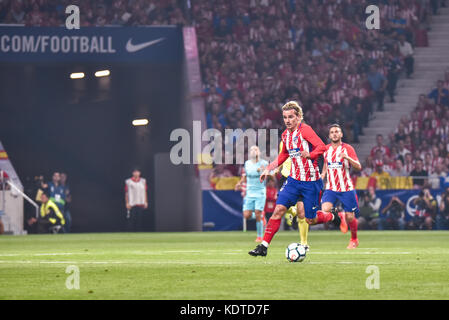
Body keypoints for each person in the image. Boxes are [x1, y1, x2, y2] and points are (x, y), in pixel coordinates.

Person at [249, 101, 336, 257]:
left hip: (311, 182)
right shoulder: (285, 135)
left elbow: (322, 147)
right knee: (278, 210)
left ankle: (333, 216)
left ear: (298, 117)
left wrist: (310, 154)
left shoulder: (306, 130)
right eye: (285, 117)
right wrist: (269, 169)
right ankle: (263, 246)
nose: (287, 120)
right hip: (294, 181)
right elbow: (283, 155)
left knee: (309, 219)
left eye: (290, 117)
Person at [320, 124, 362, 249]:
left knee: (350, 217)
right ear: (329, 135)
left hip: (346, 188)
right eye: (332, 132)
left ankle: (354, 239)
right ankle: (339, 216)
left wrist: (347, 157)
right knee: (325, 210)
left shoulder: (347, 148)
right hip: (331, 188)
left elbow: (359, 166)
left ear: (341, 134)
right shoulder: (326, 149)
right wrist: (322, 175)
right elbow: (326, 165)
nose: (334, 134)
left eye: (337, 131)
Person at [276, 140, 310, 250]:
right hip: (286, 177)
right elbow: (282, 155)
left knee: (302, 212)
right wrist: (277, 167)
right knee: (280, 204)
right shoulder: (284, 140)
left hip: (301, 178)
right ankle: (292, 211)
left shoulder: (306, 140)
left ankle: (304, 243)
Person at [235, 145, 269, 242]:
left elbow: (268, 176)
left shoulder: (264, 163)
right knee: (247, 215)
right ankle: (261, 217)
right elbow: (245, 176)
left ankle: (259, 236)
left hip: (260, 191)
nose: (254, 151)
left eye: (256, 149)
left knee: (257, 212)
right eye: (252, 150)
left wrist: (263, 171)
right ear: (249, 153)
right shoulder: (247, 163)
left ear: (259, 152)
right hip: (249, 192)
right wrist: (239, 183)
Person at [125, 167, 148, 232]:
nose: (136, 173)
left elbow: (145, 192)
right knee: (131, 219)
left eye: (137, 172)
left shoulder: (143, 181)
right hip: (132, 203)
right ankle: (130, 233)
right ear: (133, 173)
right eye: (135, 172)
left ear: (139, 173)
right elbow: (126, 193)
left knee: (140, 219)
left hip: (140, 203)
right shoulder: (128, 182)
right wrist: (127, 203)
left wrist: (146, 202)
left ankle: (139, 233)